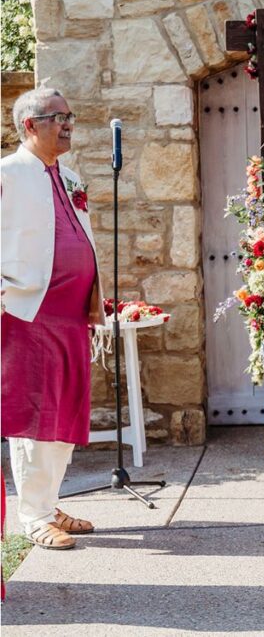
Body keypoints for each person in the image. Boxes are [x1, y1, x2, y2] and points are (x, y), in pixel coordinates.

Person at [2, 87, 103, 550]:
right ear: (29, 125)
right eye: (56, 117)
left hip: (71, 313)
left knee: (64, 411)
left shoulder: (69, 175)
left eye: (70, 115)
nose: (67, 124)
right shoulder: (7, 173)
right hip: (28, 313)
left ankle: (48, 500)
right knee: (34, 414)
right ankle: (34, 515)